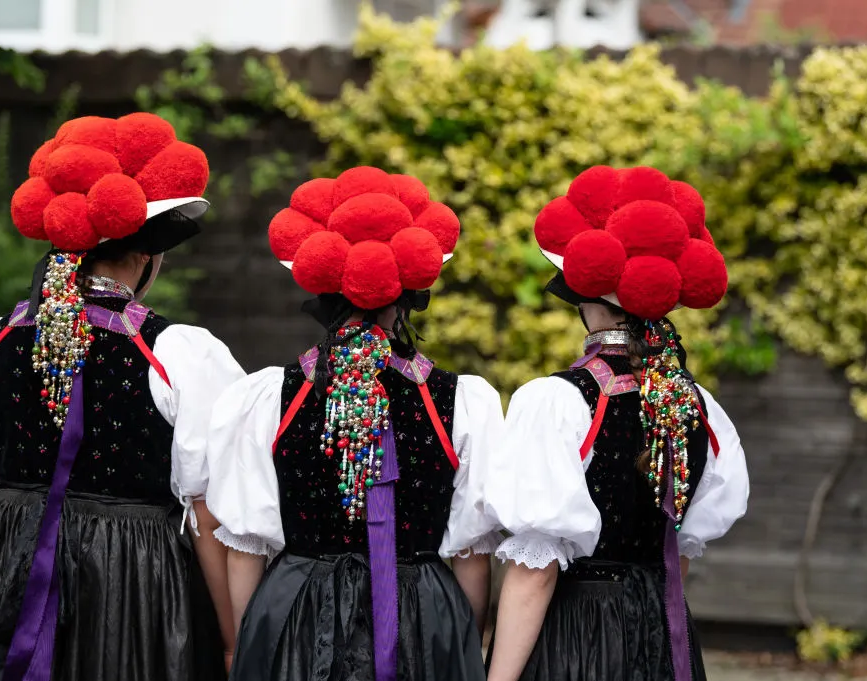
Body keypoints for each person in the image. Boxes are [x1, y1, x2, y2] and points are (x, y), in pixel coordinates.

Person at [0, 113, 244, 681]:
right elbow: (208, 515)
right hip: (133, 586)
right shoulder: (178, 355)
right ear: (147, 256)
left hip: (3, 569)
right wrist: (229, 637)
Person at [205, 166, 502, 681]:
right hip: (422, 617)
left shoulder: (267, 397)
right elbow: (471, 554)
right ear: (407, 293)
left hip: (297, 613)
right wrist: (461, 642)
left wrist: (250, 646)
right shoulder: (462, 401)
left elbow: (246, 546)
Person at [484, 166, 750, 681]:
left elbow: (534, 575)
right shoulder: (699, 406)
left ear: (587, 299)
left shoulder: (556, 400)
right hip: (664, 630)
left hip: (578, 636)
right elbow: (681, 551)